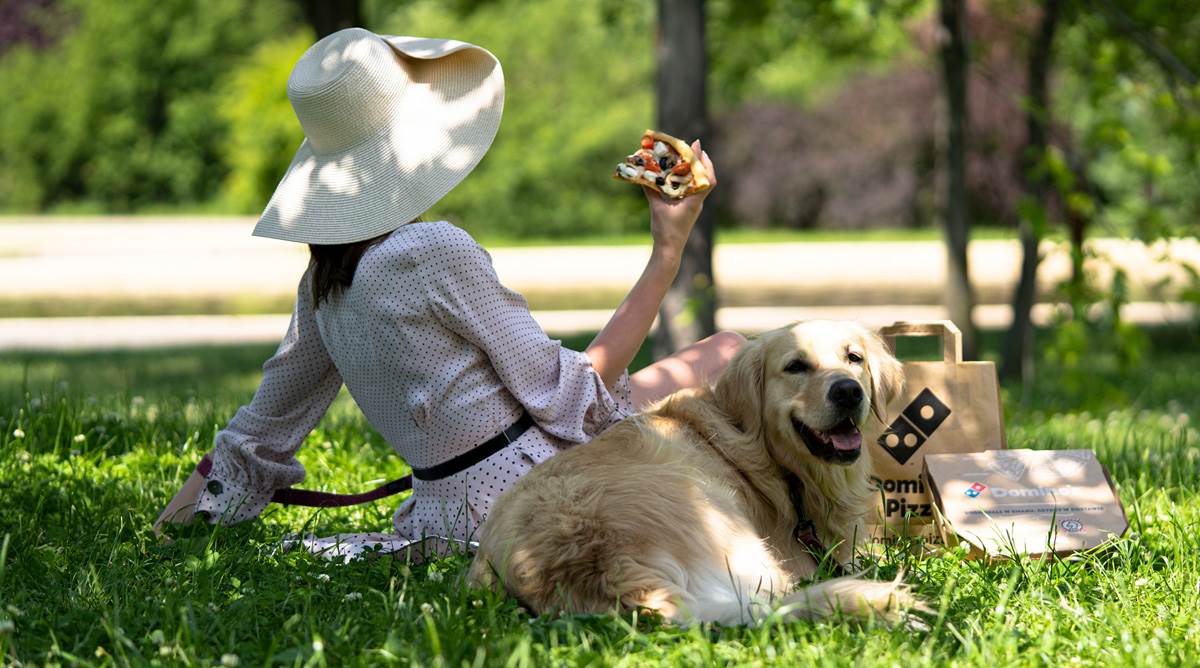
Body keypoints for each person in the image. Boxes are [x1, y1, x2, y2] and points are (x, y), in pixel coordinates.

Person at [155, 27, 742, 559]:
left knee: (717, 360)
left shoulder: (323, 285)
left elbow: (259, 431)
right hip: (534, 498)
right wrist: (668, 248)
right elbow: (574, 400)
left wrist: (167, 536)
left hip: (440, 520)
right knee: (730, 352)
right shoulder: (430, 251)